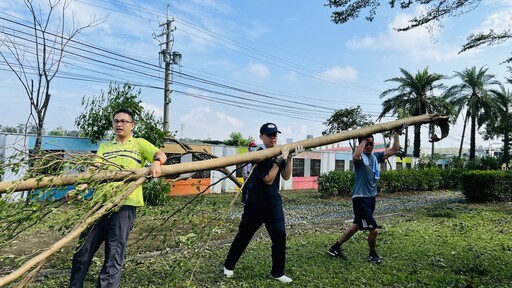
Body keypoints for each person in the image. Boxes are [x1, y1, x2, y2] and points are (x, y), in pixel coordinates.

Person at [69, 108, 167, 288]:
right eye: (116, 121)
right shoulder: (105, 146)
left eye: (123, 121)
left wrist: (155, 162)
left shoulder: (139, 143)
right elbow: (94, 169)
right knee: (82, 251)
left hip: (124, 205)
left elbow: (161, 154)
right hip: (99, 204)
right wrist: (81, 186)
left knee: (114, 255)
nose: (119, 124)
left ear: (132, 125)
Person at [223, 122, 303, 283]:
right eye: (269, 135)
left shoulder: (281, 152)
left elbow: (286, 177)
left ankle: (278, 272)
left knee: (280, 236)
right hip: (256, 203)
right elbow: (268, 179)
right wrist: (277, 162)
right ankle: (228, 266)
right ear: (261, 137)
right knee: (244, 235)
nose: (273, 138)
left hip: (273, 203)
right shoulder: (258, 155)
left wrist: (289, 158)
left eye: (275, 134)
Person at [328, 129, 400, 264]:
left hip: (371, 198)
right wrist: (363, 141)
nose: (369, 146)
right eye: (366, 144)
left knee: (356, 225)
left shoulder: (375, 157)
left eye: (371, 143)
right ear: (361, 144)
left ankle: (335, 248)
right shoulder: (360, 159)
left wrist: (396, 133)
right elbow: (356, 156)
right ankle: (372, 253)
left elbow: (395, 149)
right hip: (360, 198)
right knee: (374, 230)